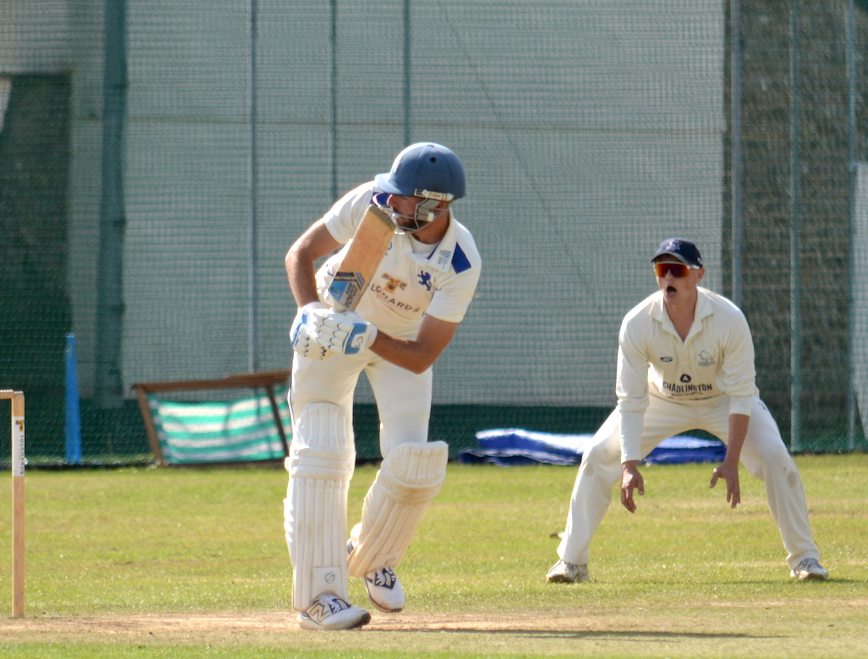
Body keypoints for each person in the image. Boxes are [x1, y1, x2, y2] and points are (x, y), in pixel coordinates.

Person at [546, 238, 828, 584]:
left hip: (723, 400)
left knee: (775, 456)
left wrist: (732, 458)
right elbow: (631, 400)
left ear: (697, 275)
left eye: (676, 270)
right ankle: (571, 563)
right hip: (661, 400)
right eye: (661, 270)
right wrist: (629, 464)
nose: (668, 279)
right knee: (597, 454)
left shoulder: (729, 319)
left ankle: (805, 559)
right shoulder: (637, 322)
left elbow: (741, 395)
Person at [283, 142, 482, 630]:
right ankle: (319, 596)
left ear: (436, 205)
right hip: (333, 327)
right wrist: (309, 312)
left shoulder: (460, 261)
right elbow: (302, 252)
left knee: (416, 463)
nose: (390, 203)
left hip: (398, 342)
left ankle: (371, 555)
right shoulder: (372, 203)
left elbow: (421, 357)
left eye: (404, 199)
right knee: (322, 453)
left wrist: (369, 336)